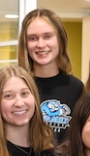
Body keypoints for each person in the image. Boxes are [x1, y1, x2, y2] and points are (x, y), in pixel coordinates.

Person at [17, 8, 84, 142]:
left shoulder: (76, 88)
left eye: (47, 36)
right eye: (33, 38)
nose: (40, 44)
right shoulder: (14, 85)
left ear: (60, 39)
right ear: (25, 43)